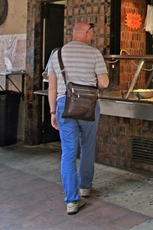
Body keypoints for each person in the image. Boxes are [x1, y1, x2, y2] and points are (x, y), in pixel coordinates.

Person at [46, 22, 109, 215]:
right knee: (88, 145)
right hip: (88, 105)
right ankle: (85, 187)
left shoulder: (56, 54)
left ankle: (72, 201)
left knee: (68, 152)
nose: (93, 35)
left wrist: (52, 112)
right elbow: (104, 83)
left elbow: (52, 87)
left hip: (65, 104)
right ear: (87, 33)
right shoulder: (94, 53)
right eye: (92, 32)